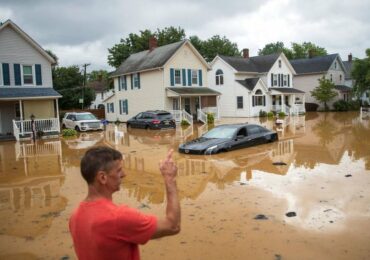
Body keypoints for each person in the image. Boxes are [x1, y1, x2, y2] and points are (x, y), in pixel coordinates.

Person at [69, 146, 180, 260]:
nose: (124, 174)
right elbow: (172, 226)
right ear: (103, 177)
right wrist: (169, 178)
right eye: (118, 170)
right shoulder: (118, 217)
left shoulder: (75, 217)